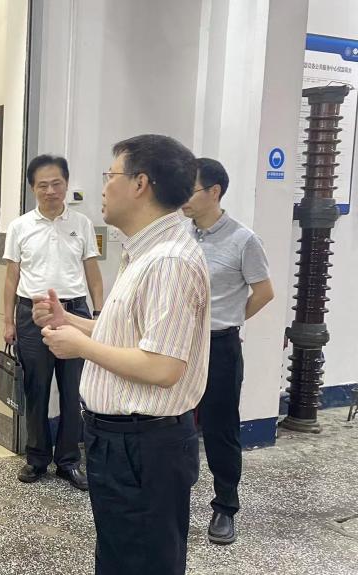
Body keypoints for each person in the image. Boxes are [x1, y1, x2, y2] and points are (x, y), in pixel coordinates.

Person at [33, 134, 209, 575]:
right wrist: (71, 321)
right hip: (123, 441)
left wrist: (80, 347)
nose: (104, 187)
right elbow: (132, 337)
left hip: (144, 444)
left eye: (110, 175)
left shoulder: (168, 261)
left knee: (141, 560)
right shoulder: (144, 253)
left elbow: (163, 367)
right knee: (120, 555)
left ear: (140, 184)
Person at [181, 157, 274, 545]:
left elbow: (264, 292)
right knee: (176, 423)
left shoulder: (243, 240)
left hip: (220, 345)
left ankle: (225, 507)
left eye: (190, 189)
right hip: (179, 345)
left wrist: (231, 318)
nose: (183, 197)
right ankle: (175, 496)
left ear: (214, 191)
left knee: (220, 428)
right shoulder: (181, 235)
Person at [2, 154, 103, 490]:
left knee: (73, 390)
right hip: (32, 314)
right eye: (42, 185)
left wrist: (99, 314)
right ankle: (36, 458)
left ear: (66, 184)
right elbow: (11, 277)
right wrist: (8, 321)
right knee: (36, 388)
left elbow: (92, 271)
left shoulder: (82, 224)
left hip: (74, 312)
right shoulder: (20, 226)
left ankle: (69, 460)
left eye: (56, 183)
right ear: (33, 188)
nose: (50, 191)